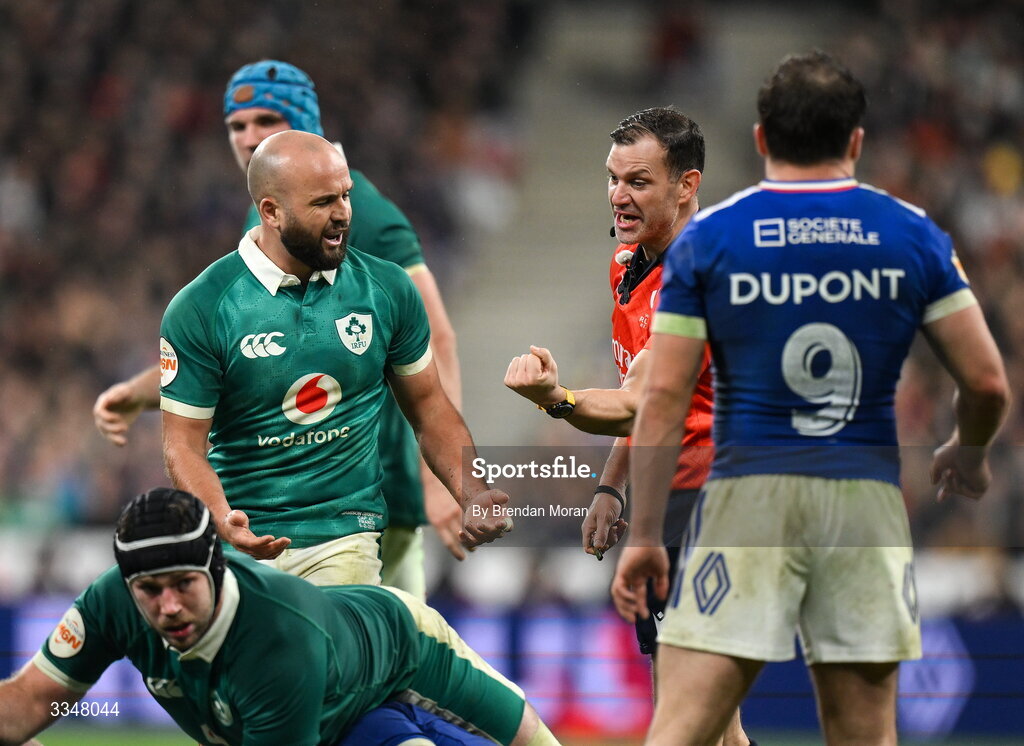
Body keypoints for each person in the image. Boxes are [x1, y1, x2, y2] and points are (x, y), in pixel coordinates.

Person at [613, 51, 1010, 745]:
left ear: (762, 139)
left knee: (679, 731)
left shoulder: (711, 241)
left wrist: (644, 533)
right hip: (862, 505)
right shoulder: (913, 234)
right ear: (856, 142)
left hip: (745, 500)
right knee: (865, 736)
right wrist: (967, 452)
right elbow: (985, 382)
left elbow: (666, 395)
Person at [93, 60, 466, 598]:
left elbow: (440, 336)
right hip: (285, 505)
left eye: (265, 120)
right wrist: (136, 393)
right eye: (236, 126)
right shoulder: (271, 214)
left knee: (383, 662)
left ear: (305, 122)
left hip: (366, 497)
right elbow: (236, 350)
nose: (247, 138)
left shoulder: (361, 211)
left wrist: (438, 487)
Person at [158, 128, 510, 586]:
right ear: (271, 212)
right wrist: (224, 521)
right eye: (323, 203)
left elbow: (429, 408)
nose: (343, 213)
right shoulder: (202, 308)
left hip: (346, 535)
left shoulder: (386, 289)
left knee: (331, 649)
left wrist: (474, 494)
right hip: (243, 542)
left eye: (345, 196)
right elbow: (182, 445)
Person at [503, 108, 749, 746]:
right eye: (613, 178)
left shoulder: (700, 275)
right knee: (711, 718)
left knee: (685, 712)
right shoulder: (628, 265)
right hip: (673, 500)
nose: (618, 194)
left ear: (686, 184)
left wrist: (552, 398)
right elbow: (639, 399)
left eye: (638, 181)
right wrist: (613, 488)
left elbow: (633, 402)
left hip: (715, 503)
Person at [0, 488, 558, 746]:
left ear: (217, 570)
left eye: (183, 585)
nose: (167, 606)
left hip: (402, 651)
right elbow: (30, 705)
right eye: (149, 590)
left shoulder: (274, 640)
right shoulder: (109, 605)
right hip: (325, 716)